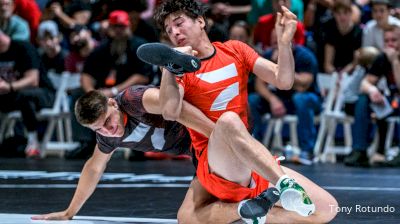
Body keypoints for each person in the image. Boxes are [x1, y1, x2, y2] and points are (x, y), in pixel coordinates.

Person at [144, 0, 337, 223]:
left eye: (179, 23)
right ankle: (285, 185)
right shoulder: (179, 71)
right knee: (228, 120)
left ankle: (255, 213)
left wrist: (285, 43)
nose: (175, 32)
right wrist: (170, 67)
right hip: (215, 161)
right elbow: (169, 111)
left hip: (248, 158)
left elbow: (283, 81)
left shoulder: (235, 49)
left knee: (326, 209)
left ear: (200, 22)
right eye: (169, 30)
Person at [30, 85, 276, 222]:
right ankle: (252, 206)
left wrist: (228, 140)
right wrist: (69, 212)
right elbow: (94, 167)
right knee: (187, 218)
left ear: (112, 103)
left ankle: (262, 188)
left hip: (213, 136)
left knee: (196, 212)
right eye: (98, 129)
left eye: (107, 120)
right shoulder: (106, 134)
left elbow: (179, 109)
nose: (108, 130)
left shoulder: (136, 99)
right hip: (201, 154)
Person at [249, 28, 321, 165]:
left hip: (307, 98)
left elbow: (304, 84)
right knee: (252, 100)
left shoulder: (305, 56)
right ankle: (254, 149)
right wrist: (272, 99)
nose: (276, 46)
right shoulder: (268, 55)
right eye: (273, 42)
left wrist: (280, 67)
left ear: (290, 41)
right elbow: (259, 84)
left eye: (279, 42)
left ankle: (307, 151)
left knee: (301, 99)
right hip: (280, 98)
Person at [345, 25, 400, 167]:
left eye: (394, 40)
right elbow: (364, 83)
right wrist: (372, 90)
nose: (390, 44)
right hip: (392, 102)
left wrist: (395, 62)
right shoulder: (382, 57)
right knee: (363, 98)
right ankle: (359, 150)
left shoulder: (392, 58)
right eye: (386, 41)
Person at [0, 31, 55, 157]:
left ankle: (33, 140)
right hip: (14, 95)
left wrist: (9, 86)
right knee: (20, 96)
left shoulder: (23, 48)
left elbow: (33, 80)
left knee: (24, 96)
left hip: (43, 94)